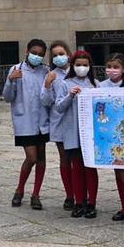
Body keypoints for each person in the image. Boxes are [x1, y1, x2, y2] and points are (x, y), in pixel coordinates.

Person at [2, 39, 50, 210]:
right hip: (25, 121)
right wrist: (10, 80)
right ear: (27, 51)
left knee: (42, 158)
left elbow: (48, 96)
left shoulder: (45, 71)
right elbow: (7, 97)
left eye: (40, 54)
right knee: (31, 158)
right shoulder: (16, 69)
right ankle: (19, 190)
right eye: (34, 52)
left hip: (42, 121)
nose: (37, 56)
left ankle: (36, 194)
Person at [54, 51, 99, 219]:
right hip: (73, 133)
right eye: (78, 64)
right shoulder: (65, 84)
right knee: (76, 168)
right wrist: (70, 95)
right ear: (72, 66)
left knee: (90, 169)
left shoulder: (95, 84)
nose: (82, 68)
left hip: (91, 134)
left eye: (85, 65)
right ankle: (79, 201)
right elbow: (59, 107)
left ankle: (92, 202)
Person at [100, 53, 124, 224]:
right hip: (110, 134)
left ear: (123, 69)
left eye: (116, 67)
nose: (112, 70)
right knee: (118, 171)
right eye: (109, 67)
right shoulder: (100, 86)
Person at [41, 41, 74, 211]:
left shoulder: (77, 70)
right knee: (65, 159)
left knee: (78, 160)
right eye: (55, 55)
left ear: (68, 53)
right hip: (59, 121)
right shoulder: (51, 75)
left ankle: (81, 193)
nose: (58, 57)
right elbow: (46, 101)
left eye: (61, 53)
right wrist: (47, 84)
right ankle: (69, 194)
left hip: (76, 121)